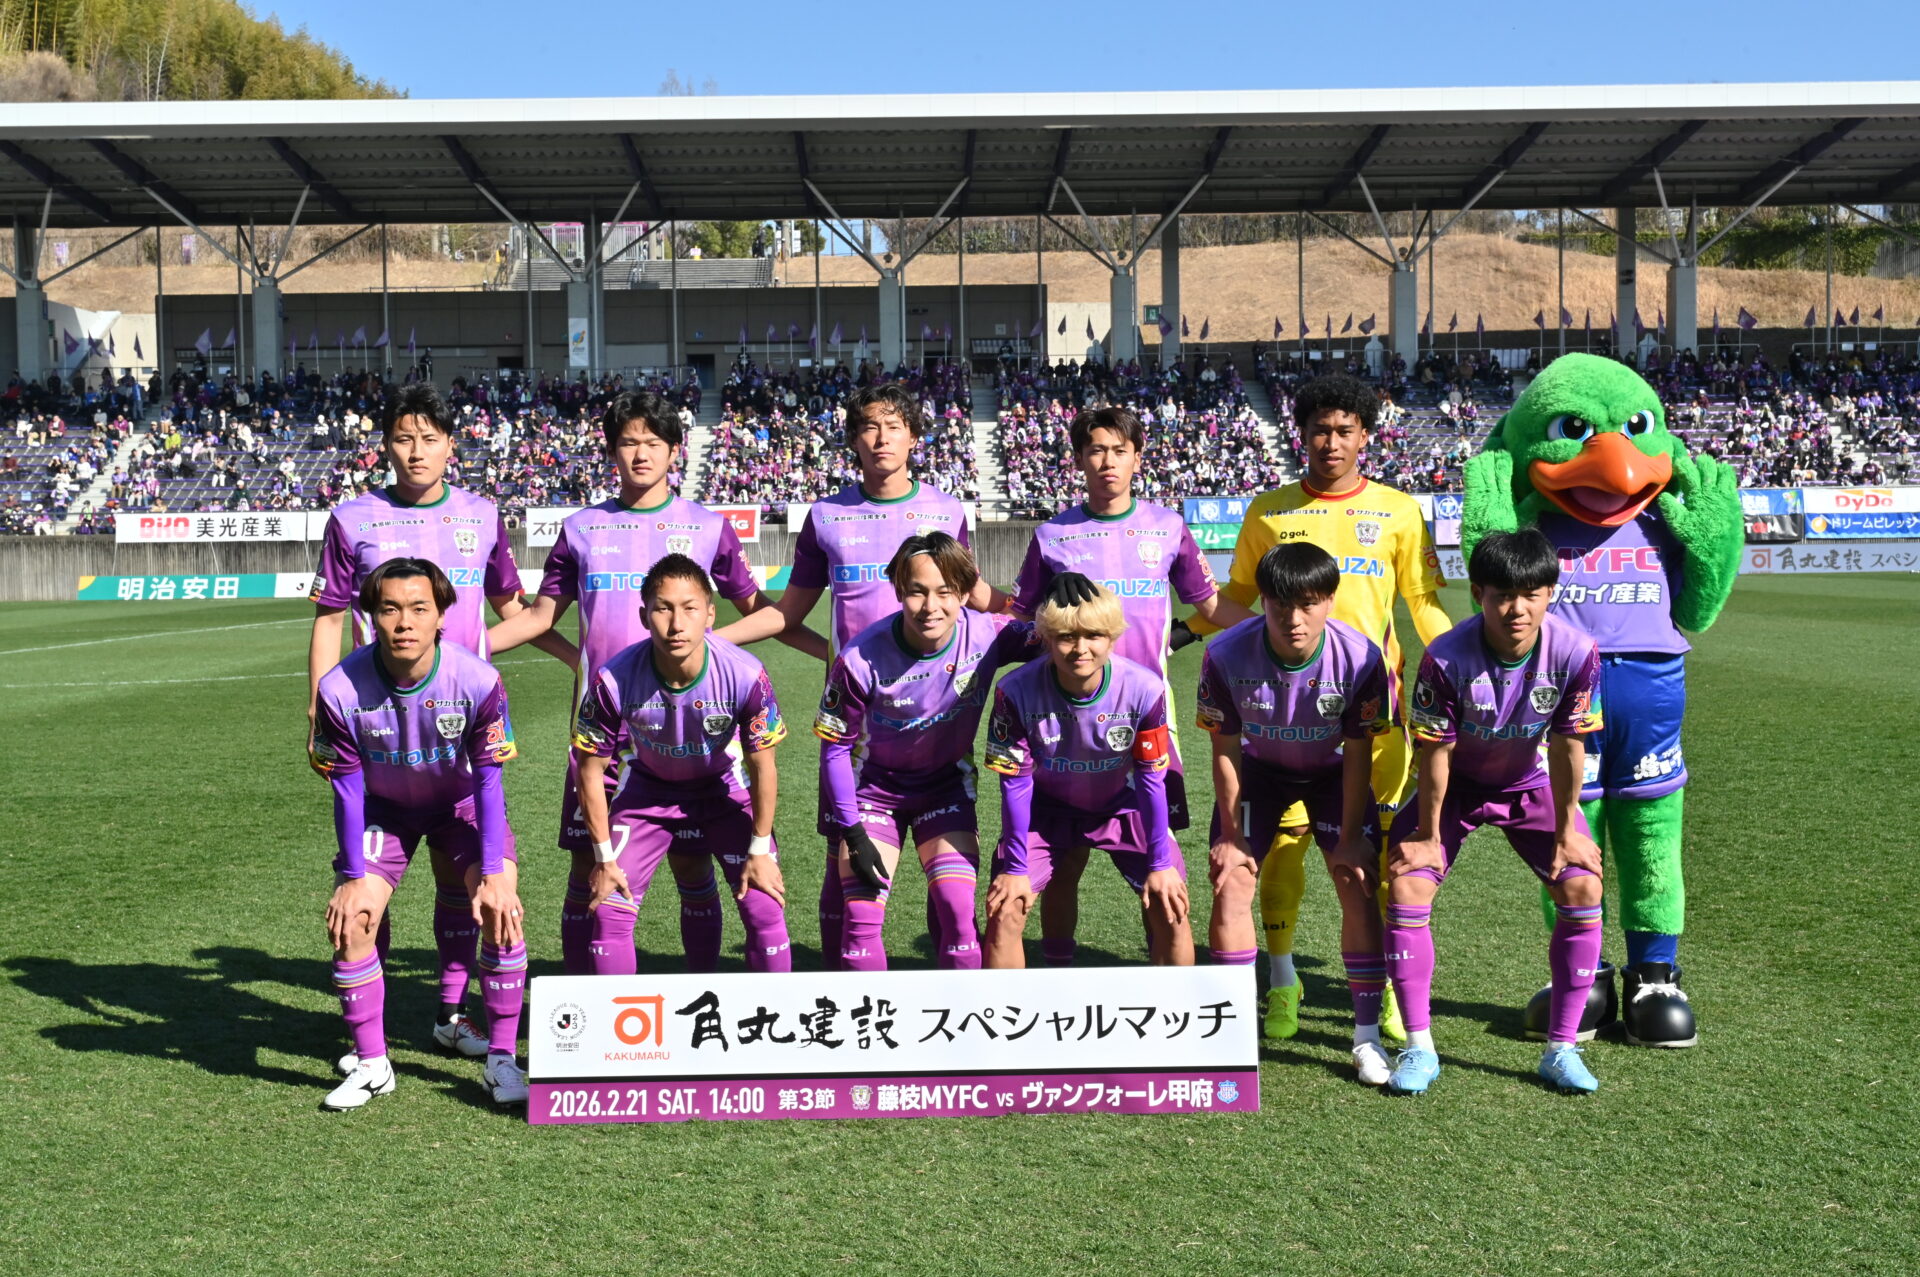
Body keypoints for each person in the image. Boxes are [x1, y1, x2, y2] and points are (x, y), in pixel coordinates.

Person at [487, 389, 824, 974]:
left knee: (694, 862)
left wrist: (819, 652)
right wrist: (455, 651)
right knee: (589, 868)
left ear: (674, 451)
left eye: (653, 443)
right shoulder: (581, 529)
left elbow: (757, 610)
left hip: (694, 726)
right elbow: (538, 617)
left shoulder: (707, 527)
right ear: (610, 451)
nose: (640, 454)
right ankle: (585, 997)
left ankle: (701, 982)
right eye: (628, 443)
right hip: (605, 728)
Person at [307, 382, 568, 1061]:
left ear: (452, 445)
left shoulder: (481, 514)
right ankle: (374, 1033)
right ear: (385, 446)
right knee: (366, 894)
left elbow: (513, 611)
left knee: (468, 884)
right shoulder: (352, 518)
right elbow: (330, 618)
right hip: (380, 731)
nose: (416, 451)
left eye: (429, 438)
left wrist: (577, 657)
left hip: (457, 728)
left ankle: (452, 1014)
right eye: (403, 438)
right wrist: (317, 709)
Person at [1191, 372, 1450, 1042]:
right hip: (1280, 719)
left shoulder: (1399, 511)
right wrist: (1179, 628)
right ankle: (1283, 980)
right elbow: (1238, 598)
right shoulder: (1269, 511)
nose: (1330, 442)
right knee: (1278, 852)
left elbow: (1422, 603)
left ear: (1365, 436)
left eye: (1343, 431)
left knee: (1374, 859)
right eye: (1319, 431)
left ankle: (1388, 988)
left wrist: (1459, 664)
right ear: (1300, 435)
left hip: (1373, 720)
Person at [716, 382, 1004, 969]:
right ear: (853, 439)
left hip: (934, 709)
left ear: (914, 437)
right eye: (870, 426)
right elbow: (787, 613)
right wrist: (710, 640)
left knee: (947, 877)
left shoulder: (947, 511)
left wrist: (1059, 617)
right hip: (854, 721)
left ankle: (946, 980)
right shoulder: (826, 516)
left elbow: (974, 596)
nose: (881, 438)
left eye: (894, 426)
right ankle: (839, 979)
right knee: (842, 860)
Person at [1010, 405, 1252, 968]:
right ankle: (1059, 968)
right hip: (1063, 722)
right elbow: (1023, 618)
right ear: (1078, 459)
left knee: (1155, 865)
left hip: (1147, 720)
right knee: (1064, 862)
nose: (1108, 461)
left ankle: (1166, 980)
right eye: (1096, 450)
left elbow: (1210, 606)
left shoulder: (1166, 527)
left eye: (1120, 450)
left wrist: (1270, 629)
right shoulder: (1052, 535)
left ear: (1137, 458)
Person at [1383, 529, 1607, 1095]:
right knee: (1408, 884)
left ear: (1550, 592)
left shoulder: (1576, 652)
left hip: (1526, 782)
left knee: (1582, 884)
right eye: (1503, 595)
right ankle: (1419, 1047)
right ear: (1479, 594)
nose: (1517, 608)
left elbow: (1569, 745)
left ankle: (1561, 1049)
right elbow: (1435, 754)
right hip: (1453, 787)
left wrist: (1567, 831)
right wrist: (1428, 836)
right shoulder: (1445, 657)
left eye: (1531, 593)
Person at [309, 558, 526, 1110]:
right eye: (390, 609)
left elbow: (489, 781)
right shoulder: (339, 688)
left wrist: (495, 873)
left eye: (418, 608)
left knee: (501, 910)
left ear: (441, 615)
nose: (404, 622)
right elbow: (348, 789)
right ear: (370, 616)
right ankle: (373, 1063)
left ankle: (502, 1059)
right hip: (385, 809)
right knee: (354, 918)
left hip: (460, 805)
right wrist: (352, 877)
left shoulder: (478, 680)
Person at [1196, 543, 1395, 1084]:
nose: (1293, 618)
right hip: (1260, 772)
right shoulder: (1224, 654)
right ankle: (1231, 1034)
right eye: (1280, 603)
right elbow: (1225, 750)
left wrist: (1350, 837)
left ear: (1330, 600)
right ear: (1262, 600)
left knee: (1356, 878)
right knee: (1232, 880)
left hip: (1332, 772)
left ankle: (1366, 1038)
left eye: (1308, 603)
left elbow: (1359, 753)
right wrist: (1232, 834)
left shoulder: (1362, 658)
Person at [814, 533, 1045, 970]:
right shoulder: (859, 658)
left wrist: (1062, 590)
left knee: (958, 912)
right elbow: (835, 751)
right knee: (861, 916)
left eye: (945, 592)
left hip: (945, 790)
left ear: (965, 593)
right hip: (873, 796)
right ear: (898, 590)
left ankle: (962, 1014)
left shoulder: (989, 634)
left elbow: (1066, 638)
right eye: (917, 591)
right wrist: (853, 833)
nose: (930, 606)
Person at [571, 555, 792, 974]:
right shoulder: (613, 679)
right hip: (647, 794)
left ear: (710, 613)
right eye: (663, 609)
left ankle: (772, 1016)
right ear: (644, 616)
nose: (676, 624)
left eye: (690, 608)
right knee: (610, 908)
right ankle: (616, 1020)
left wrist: (760, 848)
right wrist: (602, 857)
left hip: (724, 790)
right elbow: (590, 770)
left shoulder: (745, 673)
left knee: (764, 905)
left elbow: (764, 767)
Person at [982, 577, 1192, 969]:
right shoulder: (1014, 691)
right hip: (1046, 812)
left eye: (1094, 635)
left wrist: (1161, 864)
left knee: (1171, 906)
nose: (1081, 648)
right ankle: (1037, 995)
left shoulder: (1145, 689)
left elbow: (1151, 781)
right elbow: (1014, 786)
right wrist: (1014, 869)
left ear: (1112, 637)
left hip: (1125, 808)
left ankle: (1177, 1007)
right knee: (1006, 908)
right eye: (1066, 637)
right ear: (1045, 638)